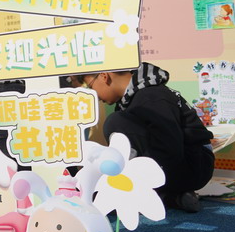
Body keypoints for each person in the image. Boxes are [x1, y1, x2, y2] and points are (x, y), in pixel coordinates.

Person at [81, 62, 214, 212]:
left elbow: (171, 147)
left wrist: (137, 178)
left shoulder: (150, 96)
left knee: (115, 122)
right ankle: (171, 197)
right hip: (187, 162)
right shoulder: (136, 98)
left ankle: (142, 192)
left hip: (194, 165)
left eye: (90, 87)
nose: (95, 96)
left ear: (104, 76)